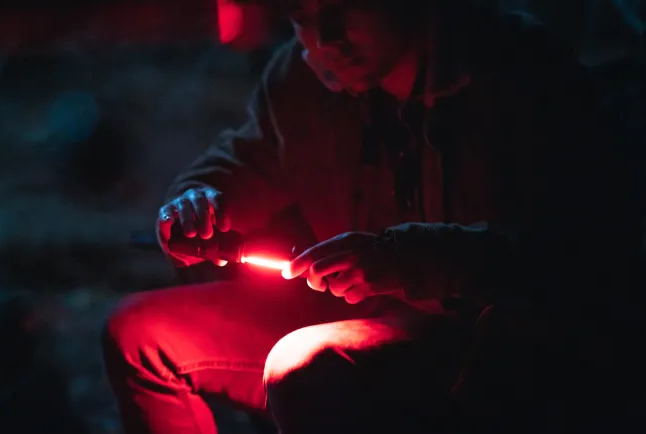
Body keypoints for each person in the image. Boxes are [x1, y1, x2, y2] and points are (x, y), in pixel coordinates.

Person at [102, 1, 644, 433]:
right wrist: (198, 198)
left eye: (345, 8)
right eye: (303, 17)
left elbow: (573, 251)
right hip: (351, 307)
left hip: (481, 339)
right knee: (142, 333)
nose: (327, 38)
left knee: (305, 361)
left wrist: (411, 260)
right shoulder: (303, 80)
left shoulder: (512, 68)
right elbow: (248, 158)